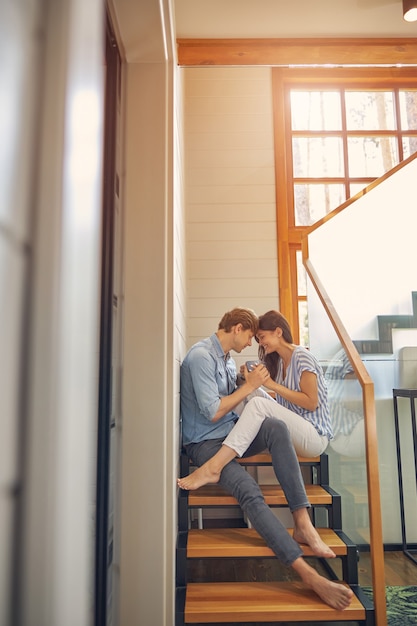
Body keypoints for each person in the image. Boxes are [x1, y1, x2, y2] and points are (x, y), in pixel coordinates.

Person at [179, 307, 353, 611]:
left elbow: (233, 400)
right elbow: (212, 411)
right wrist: (251, 387)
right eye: (250, 335)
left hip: (227, 436)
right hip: (205, 444)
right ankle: (310, 576)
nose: (251, 343)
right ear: (237, 328)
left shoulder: (224, 358)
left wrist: (246, 383)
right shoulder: (200, 357)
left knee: (275, 426)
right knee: (250, 492)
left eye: (259, 337)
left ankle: (302, 520)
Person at [178, 309, 333, 490]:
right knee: (249, 393)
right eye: (256, 339)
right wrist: (246, 379)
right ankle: (227, 435)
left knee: (258, 403)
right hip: (293, 427)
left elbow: (311, 402)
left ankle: (215, 465)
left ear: (278, 332)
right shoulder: (280, 361)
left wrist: (271, 385)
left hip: (313, 436)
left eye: (261, 337)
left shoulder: (302, 356)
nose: (259, 343)